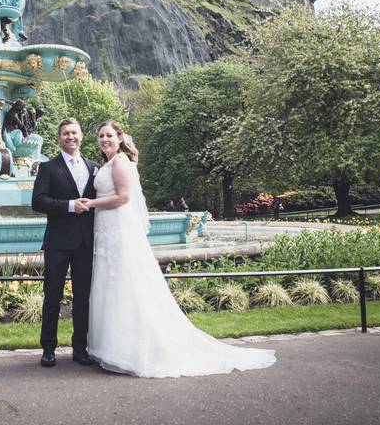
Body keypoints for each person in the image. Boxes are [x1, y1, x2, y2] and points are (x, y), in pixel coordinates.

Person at [80, 120, 276, 378]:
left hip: (118, 229)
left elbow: (124, 197)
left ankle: (130, 350)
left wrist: (92, 203)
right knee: (111, 284)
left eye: (109, 135)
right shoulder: (106, 164)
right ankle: (112, 347)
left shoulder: (119, 162)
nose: (104, 139)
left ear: (119, 138)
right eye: (101, 136)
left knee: (125, 284)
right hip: (107, 230)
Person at [31, 117, 98, 368]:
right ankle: (48, 348)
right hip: (58, 243)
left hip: (85, 243)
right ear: (59, 138)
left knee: (83, 298)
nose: (70, 137)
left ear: (81, 136)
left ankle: (80, 348)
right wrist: (70, 206)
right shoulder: (48, 168)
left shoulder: (94, 167)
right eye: (66, 133)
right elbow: (37, 202)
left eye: (74, 132)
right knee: (52, 297)